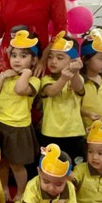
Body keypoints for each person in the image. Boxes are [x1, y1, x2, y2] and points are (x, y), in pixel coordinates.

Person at [0, 30, 41, 201]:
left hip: (17, 128)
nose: (17, 60)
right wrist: (3, 75)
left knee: (17, 165)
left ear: (34, 60)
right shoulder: (6, 76)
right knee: (0, 161)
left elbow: (20, 89)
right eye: (14, 55)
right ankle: (3, 189)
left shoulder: (34, 80)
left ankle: (21, 192)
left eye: (23, 56)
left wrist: (27, 73)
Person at [39, 32, 86, 163]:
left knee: (76, 167)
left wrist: (74, 72)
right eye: (50, 57)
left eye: (60, 58)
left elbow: (78, 88)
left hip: (74, 132)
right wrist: (64, 78)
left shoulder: (77, 78)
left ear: (73, 60)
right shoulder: (46, 79)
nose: (53, 61)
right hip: (50, 133)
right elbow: (51, 91)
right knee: (50, 166)